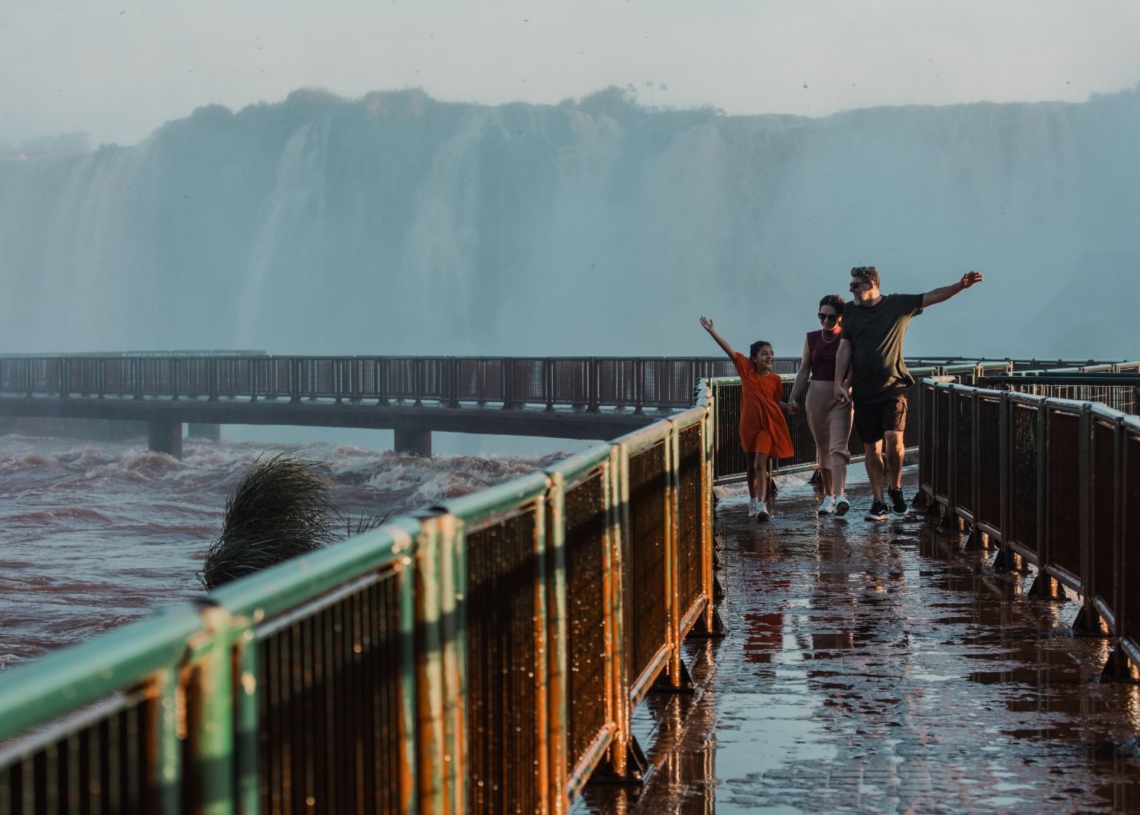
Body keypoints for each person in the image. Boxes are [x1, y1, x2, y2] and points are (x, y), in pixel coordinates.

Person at [833, 266, 984, 521]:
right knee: (872, 448)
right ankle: (879, 502)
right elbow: (844, 349)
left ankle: (896, 487)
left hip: (894, 386)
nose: (851, 289)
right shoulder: (850, 312)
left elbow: (932, 296)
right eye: (851, 285)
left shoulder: (898, 304)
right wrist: (839, 383)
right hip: (863, 390)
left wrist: (960, 286)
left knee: (894, 439)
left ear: (871, 285)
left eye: (856, 285)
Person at [700, 316, 794, 521]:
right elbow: (730, 352)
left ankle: (762, 504)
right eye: (764, 354)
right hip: (748, 426)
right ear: (753, 358)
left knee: (761, 464)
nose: (769, 357)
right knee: (751, 465)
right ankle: (753, 500)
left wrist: (785, 406)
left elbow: (773, 401)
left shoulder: (776, 380)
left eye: (771, 354)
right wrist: (712, 331)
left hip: (768, 425)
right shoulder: (747, 372)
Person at [787, 295, 853, 516]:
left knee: (838, 447)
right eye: (821, 316)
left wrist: (844, 386)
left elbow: (853, 367)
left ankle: (841, 494)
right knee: (823, 448)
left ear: (840, 317)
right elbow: (804, 369)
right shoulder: (812, 338)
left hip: (840, 396)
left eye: (831, 317)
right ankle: (828, 497)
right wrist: (793, 397)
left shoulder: (847, 336)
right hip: (816, 395)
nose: (825, 321)